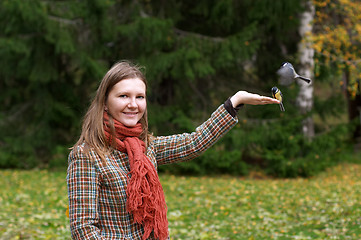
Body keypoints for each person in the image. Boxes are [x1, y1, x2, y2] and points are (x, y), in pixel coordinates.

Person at [67, 60, 279, 240]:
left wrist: (235, 101)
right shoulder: (86, 155)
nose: (133, 104)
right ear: (104, 102)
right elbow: (83, 229)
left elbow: (193, 143)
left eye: (140, 97)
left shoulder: (147, 147)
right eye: (123, 96)